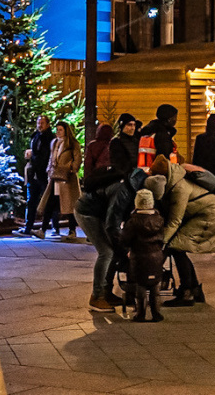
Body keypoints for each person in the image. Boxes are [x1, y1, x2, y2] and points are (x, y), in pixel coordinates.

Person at [77, 115, 139, 312]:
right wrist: (123, 245)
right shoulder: (124, 189)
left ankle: (106, 292)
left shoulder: (129, 186)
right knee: (107, 252)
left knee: (111, 250)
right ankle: (96, 297)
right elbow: (112, 222)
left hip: (98, 210)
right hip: (87, 212)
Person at [149, 158, 215, 306]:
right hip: (199, 213)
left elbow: (175, 221)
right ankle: (193, 289)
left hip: (208, 215)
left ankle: (187, 293)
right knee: (178, 248)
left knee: (176, 247)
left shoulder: (179, 188)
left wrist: (162, 242)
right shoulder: (173, 181)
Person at [118, 188, 167, 322]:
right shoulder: (159, 219)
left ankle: (141, 313)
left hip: (139, 256)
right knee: (155, 286)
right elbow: (162, 237)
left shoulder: (133, 221)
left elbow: (125, 240)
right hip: (157, 256)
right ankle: (157, 313)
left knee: (140, 285)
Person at [39, 121, 80, 239]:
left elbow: (77, 158)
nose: (58, 132)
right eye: (57, 129)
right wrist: (49, 170)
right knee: (50, 203)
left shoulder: (72, 143)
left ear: (66, 131)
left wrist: (72, 168)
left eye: (60, 129)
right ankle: (43, 229)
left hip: (67, 179)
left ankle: (72, 230)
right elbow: (51, 158)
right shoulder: (54, 143)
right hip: (54, 177)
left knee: (69, 204)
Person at [22, 115, 54, 234]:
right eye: (38, 123)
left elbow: (44, 156)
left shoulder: (48, 138)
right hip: (34, 173)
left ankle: (44, 228)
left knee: (45, 201)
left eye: (42, 123)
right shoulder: (35, 136)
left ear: (47, 124)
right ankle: (28, 226)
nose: (39, 125)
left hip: (43, 174)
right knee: (31, 201)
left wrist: (33, 158)